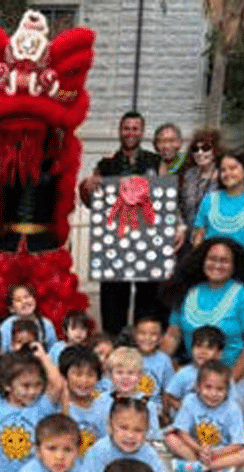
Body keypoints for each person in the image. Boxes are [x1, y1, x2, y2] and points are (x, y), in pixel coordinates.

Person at [161, 237, 244, 425]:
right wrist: (156, 365)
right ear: (202, 261)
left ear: (234, 265)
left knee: (210, 421)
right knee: (175, 414)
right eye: (212, 259)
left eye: (224, 261)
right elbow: (173, 335)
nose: (217, 265)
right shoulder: (187, 291)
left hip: (238, 372)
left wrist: (226, 382)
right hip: (198, 368)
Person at [78, 111, 166, 337]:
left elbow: (165, 197)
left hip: (146, 238)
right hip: (114, 239)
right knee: (113, 295)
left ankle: (144, 341)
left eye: (135, 128)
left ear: (142, 132)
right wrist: (89, 186)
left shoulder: (155, 162)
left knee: (147, 295)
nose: (130, 132)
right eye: (126, 128)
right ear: (120, 131)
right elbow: (90, 202)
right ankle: (113, 340)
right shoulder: (106, 163)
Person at [164, 360, 244, 472]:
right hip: (195, 448)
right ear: (198, 386)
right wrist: (199, 449)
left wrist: (216, 454)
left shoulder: (233, 408)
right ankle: (215, 469)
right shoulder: (190, 401)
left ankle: (206, 467)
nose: (213, 394)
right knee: (171, 438)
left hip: (221, 452)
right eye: (208, 387)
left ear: (227, 390)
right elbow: (182, 432)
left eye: (220, 389)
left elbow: (238, 443)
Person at [192, 150, 244, 268]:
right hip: (211, 270)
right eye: (223, 170)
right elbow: (198, 237)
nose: (227, 173)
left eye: (233, 168)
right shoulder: (209, 199)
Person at [162, 325, 233, 420]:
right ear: (191, 348)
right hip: (185, 421)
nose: (202, 352)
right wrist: (183, 408)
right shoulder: (184, 373)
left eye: (209, 348)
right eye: (198, 346)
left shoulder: (223, 375)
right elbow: (169, 396)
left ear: (219, 354)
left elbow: (231, 402)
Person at [58, 345, 111, 456]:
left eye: (90, 375)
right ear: (64, 375)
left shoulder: (105, 405)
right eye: (78, 374)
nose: (84, 380)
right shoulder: (56, 405)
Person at [177, 128, 223, 242]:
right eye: (195, 149)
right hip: (187, 238)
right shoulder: (187, 175)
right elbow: (177, 204)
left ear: (215, 151)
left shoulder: (223, 176)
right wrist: (180, 225)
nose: (200, 152)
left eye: (206, 148)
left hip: (214, 238)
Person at [0, 283, 59, 352]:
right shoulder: (7, 326)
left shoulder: (46, 325)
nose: (24, 302)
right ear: (11, 308)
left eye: (27, 297)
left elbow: (53, 351)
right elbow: (3, 351)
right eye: (18, 300)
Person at [132, 315, 174, 414]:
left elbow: (168, 391)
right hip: (129, 405)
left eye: (153, 334)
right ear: (135, 335)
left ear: (160, 338)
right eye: (142, 333)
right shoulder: (127, 355)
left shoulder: (164, 360)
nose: (147, 338)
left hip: (154, 409)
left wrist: (165, 413)